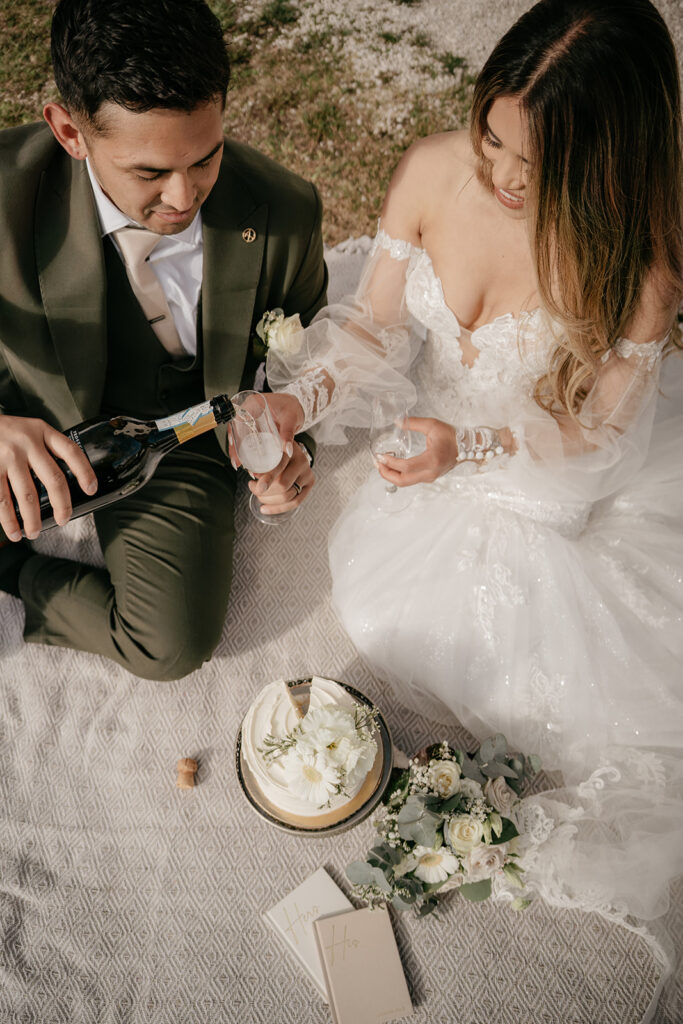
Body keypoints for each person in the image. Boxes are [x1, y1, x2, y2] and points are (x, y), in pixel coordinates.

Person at [266, 0, 683, 976]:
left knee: (568, 703)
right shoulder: (429, 170)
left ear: (604, 160)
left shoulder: (641, 261)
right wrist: (299, 400)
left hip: (548, 480)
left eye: (535, 163)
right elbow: (374, 330)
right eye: (491, 137)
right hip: (439, 449)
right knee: (382, 612)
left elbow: (598, 445)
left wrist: (474, 446)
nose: (500, 174)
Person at [0, 0, 326, 679]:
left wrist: (292, 446)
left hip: (180, 427)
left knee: (171, 642)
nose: (183, 196)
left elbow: (309, 358)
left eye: (206, 158)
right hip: (22, 409)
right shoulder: (5, 194)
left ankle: (9, 571)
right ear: (69, 132)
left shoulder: (286, 213)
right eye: (149, 173)